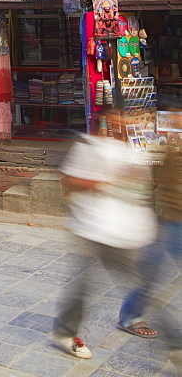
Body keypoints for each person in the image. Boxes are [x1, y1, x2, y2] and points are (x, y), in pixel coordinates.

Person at [53, 107, 157, 359]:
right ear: (107, 122)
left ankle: (169, 343)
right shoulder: (89, 146)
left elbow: (143, 189)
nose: (123, 126)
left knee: (144, 283)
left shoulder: (137, 152)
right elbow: (69, 182)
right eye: (117, 121)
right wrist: (106, 180)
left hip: (124, 231)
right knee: (84, 284)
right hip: (92, 227)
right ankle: (66, 333)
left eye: (128, 121)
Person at [119, 131, 182, 376]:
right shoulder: (169, 148)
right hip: (171, 221)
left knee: (151, 274)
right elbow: (149, 178)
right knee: (151, 276)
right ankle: (130, 316)